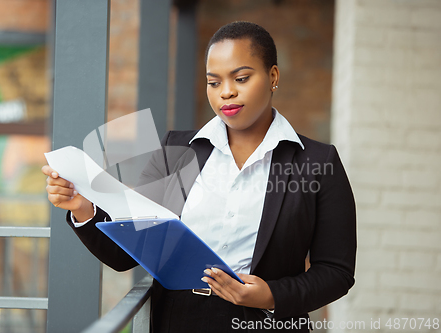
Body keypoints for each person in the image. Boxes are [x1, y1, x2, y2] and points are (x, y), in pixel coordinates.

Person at [42, 21, 356, 332]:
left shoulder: (316, 162)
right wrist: (82, 208)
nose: (227, 93)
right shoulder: (175, 149)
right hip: (179, 321)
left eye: (241, 78)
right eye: (214, 82)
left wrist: (271, 296)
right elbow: (129, 255)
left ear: (273, 76)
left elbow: (336, 271)